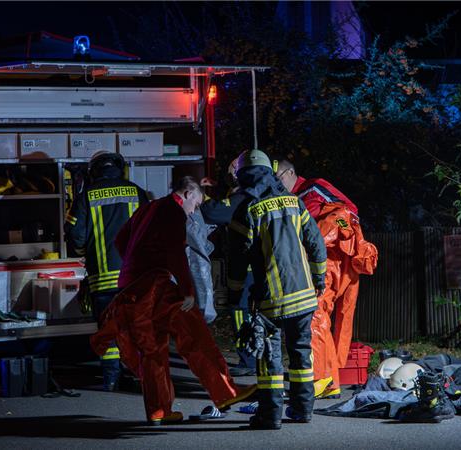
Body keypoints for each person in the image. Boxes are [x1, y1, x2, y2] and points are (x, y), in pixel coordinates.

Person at [90, 176, 255, 425]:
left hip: (131, 288)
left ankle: (159, 411)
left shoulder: (148, 208)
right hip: (155, 285)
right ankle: (225, 393)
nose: (195, 210)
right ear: (188, 194)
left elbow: (120, 240)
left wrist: (135, 264)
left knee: (152, 350)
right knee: (195, 334)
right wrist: (188, 291)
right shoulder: (174, 212)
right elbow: (175, 253)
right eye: (197, 204)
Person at [227, 150, 328, 430]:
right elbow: (317, 245)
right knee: (300, 355)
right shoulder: (296, 202)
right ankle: (302, 410)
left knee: (269, 359)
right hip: (304, 297)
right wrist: (319, 280)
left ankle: (270, 416)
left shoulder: (247, 209)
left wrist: (235, 297)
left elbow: (236, 261)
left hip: (271, 301)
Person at [276, 159, 378, 400]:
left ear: (291, 172)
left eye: (279, 177)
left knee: (317, 314)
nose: (278, 184)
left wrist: (332, 238)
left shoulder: (313, 187)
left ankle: (322, 377)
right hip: (332, 259)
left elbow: (348, 211)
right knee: (332, 318)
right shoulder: (294, 197)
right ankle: (328, 378)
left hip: (334, 260)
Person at [65, 151, 147, 391]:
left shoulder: (86, 196)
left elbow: (75, 234)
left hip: (102, 279)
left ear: (94, 171)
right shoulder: (136, 192)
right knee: (135, 327)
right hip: (134, 278)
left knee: (109, 328)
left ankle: (111, 379)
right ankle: (139, 375)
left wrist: (83, 250)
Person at [199, 157, 256, 376]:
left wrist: (200, 196)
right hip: (252, 264)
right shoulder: (253, 193)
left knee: (240, 310)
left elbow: (217, 211)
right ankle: (255, 358)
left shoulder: (242, 196)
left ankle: (248, 360)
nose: (231, 172)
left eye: (235, 170)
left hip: (244, 267)